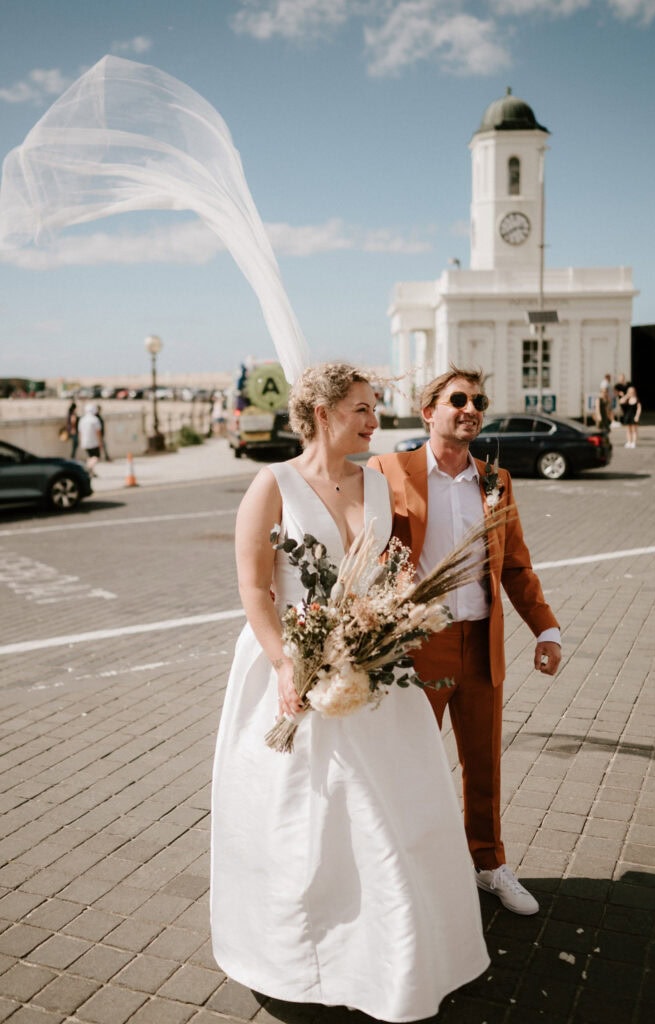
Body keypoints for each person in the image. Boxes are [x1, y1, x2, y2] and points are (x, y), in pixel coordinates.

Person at [211, 363, 489, 1021]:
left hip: (370, 665)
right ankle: (296, 951)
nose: (373, 421)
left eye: (374, 409)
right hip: (291, 660)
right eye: (362, 409)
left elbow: (385, 574)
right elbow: (255, 588)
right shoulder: (270, 484)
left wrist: (382, 629)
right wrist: (285, 662)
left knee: (389, 808)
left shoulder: (374, 481)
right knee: (304, 815)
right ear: (323, 413)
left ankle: (392, 946)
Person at [368, 365, 561, 917]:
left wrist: (545, 627)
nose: (471, 408)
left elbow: (517, 566)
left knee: (483, 766)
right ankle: (406, 870)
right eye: (458, 399)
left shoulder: (496, 481)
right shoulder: (388, 471)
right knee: (408, 766)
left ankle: (489, 865)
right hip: (415, 648)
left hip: (480, 643)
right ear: (429, 411)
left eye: (478, 400)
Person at [77, 403, 103, 476]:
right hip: (94, 442)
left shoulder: (82, 420)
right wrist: (100, 442)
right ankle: (88, 468)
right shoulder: (95, 420)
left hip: (85, 442)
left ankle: (91, 472)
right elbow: (98, 432)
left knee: (90, 457)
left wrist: (81, 441)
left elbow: (80, 432)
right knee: (96, 457)